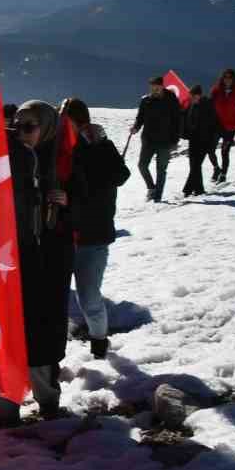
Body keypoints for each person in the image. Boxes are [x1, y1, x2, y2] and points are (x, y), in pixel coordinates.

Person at [10, 101, 75, 416]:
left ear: (48, 127)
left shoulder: (67, 160)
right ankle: (7, 400)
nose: (20, 133)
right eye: (16, 126)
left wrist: (68, 202)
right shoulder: (7, 160)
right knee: (9, 327)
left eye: (29, 126)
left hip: (49, 261)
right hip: (15, 259)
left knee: (43, 332)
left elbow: (97, 201)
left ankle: (47, 400)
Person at [61, 99, 130, 359]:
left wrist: (98, 144)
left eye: (68, 122)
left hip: (92, 237)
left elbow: (120, 176)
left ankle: (99, 341)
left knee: (89, 297)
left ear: (81, 122)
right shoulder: (58, 149)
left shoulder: (99, 147)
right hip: (61, 235)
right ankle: (58, 350)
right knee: (58, 298)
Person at [131, 76, 183, 202]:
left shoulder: (171, 100)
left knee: (161, 169)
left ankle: (157, 197)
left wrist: (175, 141)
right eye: (152, 87)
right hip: (148, 139)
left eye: (157, 87)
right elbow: (140, 118)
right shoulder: (146, 101)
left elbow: (177, 121)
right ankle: (151, 188)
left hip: (165, 141)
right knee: (142, 165)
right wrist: (136, 127)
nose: (154, 89)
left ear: (162, 86)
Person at [209, 68, 235, 182]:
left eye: (230, 77)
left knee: (225, 151)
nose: (227, 80)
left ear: (234, 78)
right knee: (210, 149)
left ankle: (223, 174)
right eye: (225, 77)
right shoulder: (216, 89)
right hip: (216, 124)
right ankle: (216, 168)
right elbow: (209, 105)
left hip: (230, 126)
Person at [181, 85, 220, 197]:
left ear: (199, 95)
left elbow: (212, 123)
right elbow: (186, 118)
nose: (191, 97)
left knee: (196, 165)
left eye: (193, 95)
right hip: (193, 140)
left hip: (205, 140)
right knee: (194, 165)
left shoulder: (207, 105)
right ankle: (198, 189)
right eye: (191, 95)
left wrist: (211, 141)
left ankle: (188, 190)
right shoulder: (192, 105)